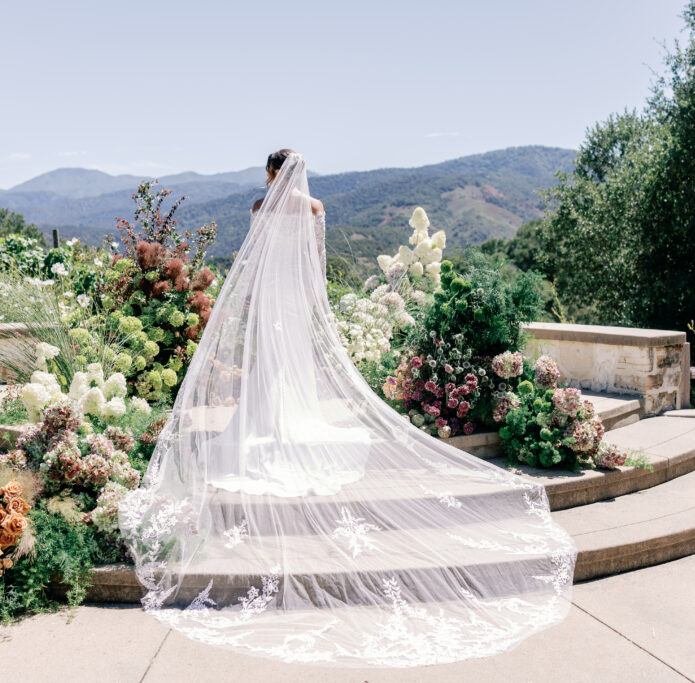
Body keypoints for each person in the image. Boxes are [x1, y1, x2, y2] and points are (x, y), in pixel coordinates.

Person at [119, 149, 575, 667]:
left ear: (270, 173)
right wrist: (315, 305)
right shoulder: (313, 208)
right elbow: (314, 261)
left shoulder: (257, 206)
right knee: (292, 369)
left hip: (269, 298)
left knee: (269, 366)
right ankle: (292, 419)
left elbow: (253, 260)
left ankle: (268, 421)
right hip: (294, 300)